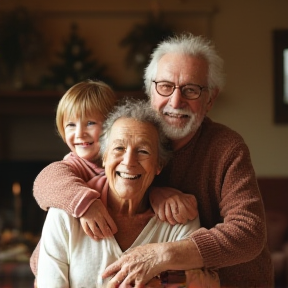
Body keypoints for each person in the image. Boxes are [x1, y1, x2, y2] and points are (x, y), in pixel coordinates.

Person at [101, 33, 273, 287]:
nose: (176, 101)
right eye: (166, 86)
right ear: (151, 91)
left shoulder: (227, 147)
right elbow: (63, 171)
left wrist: (163, 255)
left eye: (191, 89)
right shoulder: (130, 137)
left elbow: (249, 232)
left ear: (210, 99)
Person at [36, 99, 219, 288]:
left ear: (159, 165)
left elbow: (192, 279)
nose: (129, 161)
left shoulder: (178, 217)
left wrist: (159, 282)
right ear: (104, 158)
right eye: (119, 148)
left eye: (143, 151)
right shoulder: (66, 213)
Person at [30, 79, 119, 275]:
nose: (80, 133)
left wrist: (160, 195)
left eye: (90, 123)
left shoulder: (125, 163)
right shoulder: (73, 166)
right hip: (63, 264)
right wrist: (86, 203)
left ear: (112, 124)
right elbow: (44, 182)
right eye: (71, 124)